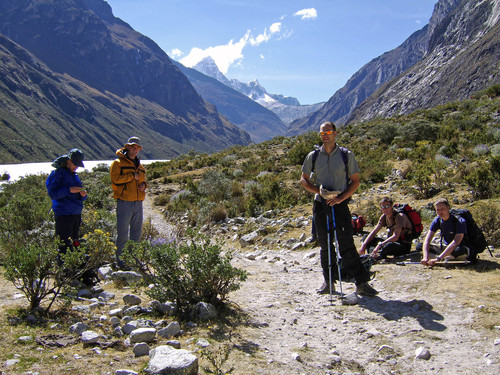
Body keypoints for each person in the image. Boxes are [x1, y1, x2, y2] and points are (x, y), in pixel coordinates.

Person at [300, 121, 378, 296]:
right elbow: (303, 179)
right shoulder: (313, 156)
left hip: (340, 204)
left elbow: (355, 181)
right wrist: (318, 191)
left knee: (346, 244)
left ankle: (361, 283)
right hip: (320, 205)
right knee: (325, 245)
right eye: (322, 133)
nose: (325, 135)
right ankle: (329, 282)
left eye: (328, 132)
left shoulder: (345, 155)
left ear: (335, 133)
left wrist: (341, 197)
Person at [110, 136, 147, 269]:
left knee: (136, 233)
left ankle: (134, 258)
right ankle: (121, 261)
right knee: (123, 232)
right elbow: (115, 180)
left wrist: (144, 185)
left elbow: (142, 180)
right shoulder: (118, 163)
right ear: (127, 147)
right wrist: (131, 176)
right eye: (132, 146)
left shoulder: (140, 165)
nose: (134, 149)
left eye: (137, 147)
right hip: (124, 201)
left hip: (138, 202)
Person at [46, 148, 87, 259]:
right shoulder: (57, 174)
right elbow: (53, 194)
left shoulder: (74, 175)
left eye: (77, 165)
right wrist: (69, 190)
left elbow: (78, 194)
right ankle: (64, 271)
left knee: (75, 241)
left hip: (76, 213)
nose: (76, 167)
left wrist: (83, 195)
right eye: (74, 164)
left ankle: (74, 268)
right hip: (63, 214)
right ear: (68, 160)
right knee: (64, 244)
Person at [358, 197, 413, 262]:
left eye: (387, 206)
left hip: (403, 244)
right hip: (390, 241)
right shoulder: (384, 216)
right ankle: (373, 254)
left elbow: (396, 236)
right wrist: (364, 245)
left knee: (388, 246)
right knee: (366, 237)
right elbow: (374, 232)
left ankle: (377, 256)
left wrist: (380, 245)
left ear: (391, 206)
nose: (385, 209)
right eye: (383, 207)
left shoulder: (399, 216)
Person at [419, 198, 469, 266]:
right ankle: (446, 258)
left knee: (459, 250)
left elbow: (455, 242)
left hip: (456, 247)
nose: (440, 212)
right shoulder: (437, 220)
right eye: (438, 210)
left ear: (448, 208)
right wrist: (425, 257)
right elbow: (427, 240)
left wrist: (438, 258)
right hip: (445, 246)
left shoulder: (459, 221)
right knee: (419, 246)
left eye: (442, 209)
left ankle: (439, 258)